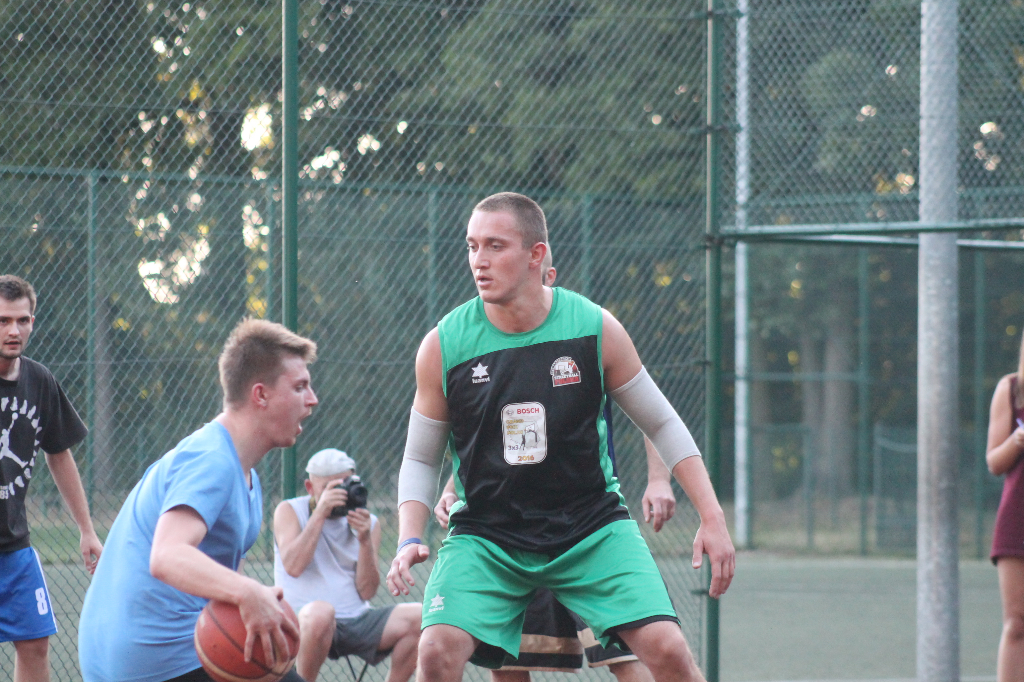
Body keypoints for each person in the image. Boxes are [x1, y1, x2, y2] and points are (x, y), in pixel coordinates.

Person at [387, 192, 735, 682]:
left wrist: (712, 516)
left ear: (537, 256)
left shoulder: (593, 328)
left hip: (589, 527)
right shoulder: (443, 346)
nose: (478, 261)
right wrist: (408, 537)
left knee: (668, 650)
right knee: (437, 650)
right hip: (488, 536)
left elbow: (661, 422)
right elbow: (420, 460)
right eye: (471, 246)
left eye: (495, 246)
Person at [433, 256, 673, 682]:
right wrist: (453, 488)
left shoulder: (584, 336)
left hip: (582, 527)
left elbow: (653, 416)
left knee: (625, 657)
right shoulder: (482, 348)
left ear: (546, 274)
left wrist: (659, 479)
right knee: (512, 661)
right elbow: (488, 441)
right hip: (508, 535)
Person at [78, 319, 317, 682]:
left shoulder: (241, 470)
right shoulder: (212, 460)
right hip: (151, 659)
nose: (312, 400)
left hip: (149, 653)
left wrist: (253, 600)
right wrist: (249, 592)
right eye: (300, 387)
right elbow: (167, 555)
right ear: (261, 395)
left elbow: (211, 571)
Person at [0, 275, 103, 682]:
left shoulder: (39, 380)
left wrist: (86, 529)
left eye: (22, 320)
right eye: (3, 320)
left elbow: (59, 454)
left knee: (35, 643)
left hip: (14, 546)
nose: (13, 330)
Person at [274, 448, 421, 682]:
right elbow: (293, 566)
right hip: (302, 620)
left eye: (345, 485)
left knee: (422, 617)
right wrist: (320, 513)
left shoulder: (368, 522)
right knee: (321, 613)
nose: (341, 495)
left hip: (355, 620)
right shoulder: (290, 510)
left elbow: (368, 591)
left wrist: (364, 541)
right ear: (310, 488)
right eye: (331, 489)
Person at [988, 328, 1024, 682]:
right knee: (1017, 622)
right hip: (1018, 517)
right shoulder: (1011, 388)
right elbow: (995, 462)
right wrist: (1018, 438)